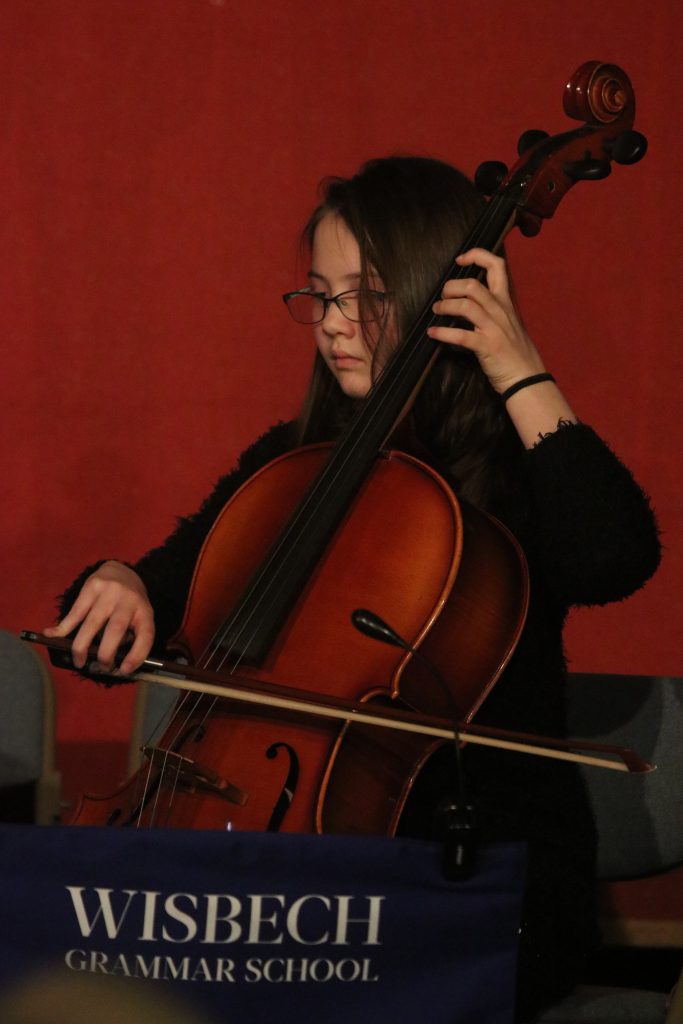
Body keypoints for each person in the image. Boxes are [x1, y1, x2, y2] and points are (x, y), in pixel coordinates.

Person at [48, 156, 661, 1021]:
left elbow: (614, 558)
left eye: (366, 296)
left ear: (439, 296)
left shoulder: (515, 468)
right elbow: (162, 584)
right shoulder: (291, 464)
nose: (334, 325)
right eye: (319, 296)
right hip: (292, 870)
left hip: (462, 873)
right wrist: (119, 587)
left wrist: (518, 367)